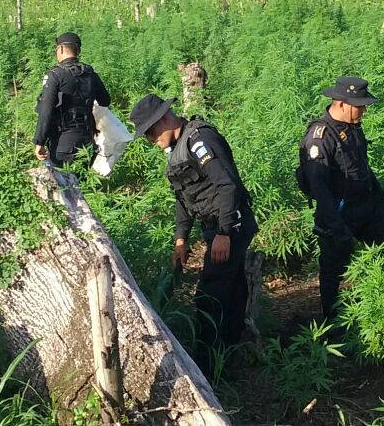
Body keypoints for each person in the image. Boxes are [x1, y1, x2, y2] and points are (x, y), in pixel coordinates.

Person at [130, 93, 257, 377]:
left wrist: (224, 232)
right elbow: (184, 199)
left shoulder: (200, 140)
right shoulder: (178, 149)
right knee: (233, 289)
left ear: (164, 118)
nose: (151, 140)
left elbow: (228, 186)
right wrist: (180, 239)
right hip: (215, 226)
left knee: (208, 297)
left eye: (151, 132)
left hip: (230, 225)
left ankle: (206, 369)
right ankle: (232, 352)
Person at [297, 75, 384, 320]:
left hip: (367, 207)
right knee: (333, 270)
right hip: (337, 213)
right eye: (359, 105)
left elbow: (362, 166)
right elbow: (319, 187)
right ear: (341, 103)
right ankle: (332, 322)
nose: (364, 110)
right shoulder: (319, 136)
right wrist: (336, 226)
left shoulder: (353, 128)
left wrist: (379, 201)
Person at [33, 32, 111, 168]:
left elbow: (46, 111)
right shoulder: (90, 73)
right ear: (78, 51)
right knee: (81, 187)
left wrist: (39, 142)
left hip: (62, 144)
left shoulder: (55, 75)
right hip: (86, 142)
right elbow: (105, 101)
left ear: (61, 49)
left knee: (62, 186)